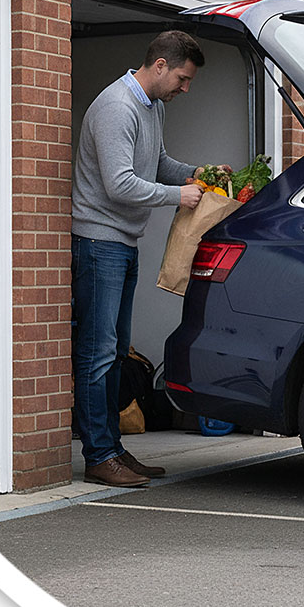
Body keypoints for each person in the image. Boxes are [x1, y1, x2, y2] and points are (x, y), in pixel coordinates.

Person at [70, 29, 230, 487]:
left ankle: (114, 449)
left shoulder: (151, 107)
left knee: (117, 351)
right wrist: (178, 195)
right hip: (99, 244)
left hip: (122, 244)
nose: (185, 88)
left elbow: (156, 162)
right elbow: (120, 183)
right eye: (182, 78)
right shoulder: (116, 108)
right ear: (159, 65)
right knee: (97, 354)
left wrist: (195, 173)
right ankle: (99, 455)